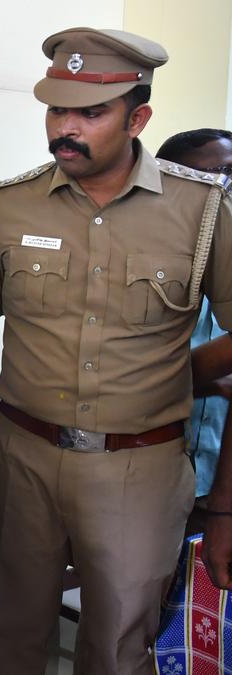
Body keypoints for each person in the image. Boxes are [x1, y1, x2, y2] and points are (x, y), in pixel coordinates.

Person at [0, 28, 232, 674]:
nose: (64, 129)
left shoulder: (203, 213)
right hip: (22, 459)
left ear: (139, 118)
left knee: (115, 652)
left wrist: (224, 503)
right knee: (9, 643)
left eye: (89, 113)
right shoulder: (6, 208)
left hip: (141, 469)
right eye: (56, 109)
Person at [157, 129, 232, 535]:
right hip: (150, 481)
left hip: (222, 490)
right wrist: (210, 383)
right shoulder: (146, 266)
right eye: (222, 172)